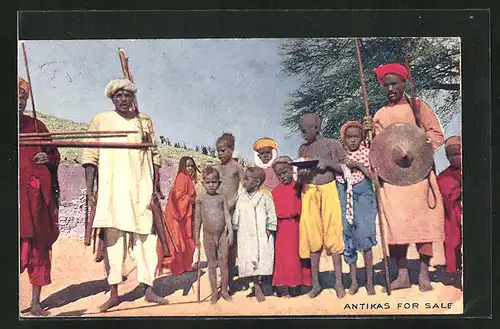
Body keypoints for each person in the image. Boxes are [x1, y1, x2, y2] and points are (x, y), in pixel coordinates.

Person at [81, 78, 167, 312]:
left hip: (141, 188)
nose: (123, 100)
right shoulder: (102, 120)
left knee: (146, 241)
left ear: (133, 98)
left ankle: (149, 289)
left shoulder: (144, 121)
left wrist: (156, 186)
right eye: (118, 96)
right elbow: (90, 156)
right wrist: (90, 190)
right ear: (112, 98)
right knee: (113, 242)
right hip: (113, 191)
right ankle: (114, 293)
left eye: (127, 95)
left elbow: (155, 156)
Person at [364, 63, 445, 292]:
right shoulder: (380, 114)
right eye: (386, 85)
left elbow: (436, 134)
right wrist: (369, 132)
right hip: (392, 180)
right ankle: (401, 274)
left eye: (394, 83)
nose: (390, 88)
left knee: (423, 225)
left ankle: (423, 273)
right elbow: (378, 148)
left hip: (418, 175)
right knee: (396, 227)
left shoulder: (418, 107)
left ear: (403, 83)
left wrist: (418, 147)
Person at [19, 77, 60, 316]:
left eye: (22, 98)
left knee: (38, 250)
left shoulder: (37, 126)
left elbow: (53, 154)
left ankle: (35, 304)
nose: (19, 102)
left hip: (34, 200)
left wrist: (49, 159)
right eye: (14, 98)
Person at [296, 113, 346, 298]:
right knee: (312, 238)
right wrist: (302, 173)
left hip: (328, 189)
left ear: (316, 128)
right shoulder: (302, 149)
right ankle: (316, 285)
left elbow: (345, 167)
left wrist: (329, 163)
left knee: (333, 236)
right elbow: (300, 172)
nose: (302, 134)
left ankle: (339, 283)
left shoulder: (331, 145)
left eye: (304, 130)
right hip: (309, 191)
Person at [335, 121, 377, 296]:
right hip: (343, 193)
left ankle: (369, 281)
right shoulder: (339, 154)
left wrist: (359, 166)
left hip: (364, 196)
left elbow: (374, 176)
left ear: (361, 137)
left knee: (365, 236)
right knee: (348, 236)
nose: (353, 141)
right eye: (349, 137)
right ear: (343, 138)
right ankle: (353, 281)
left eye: (356, 137)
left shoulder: (368, 153)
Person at [232, 166, 277, 302]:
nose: (243, 182)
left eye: (247, 179)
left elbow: (271, 215)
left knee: (262, 260)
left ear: (257, 182)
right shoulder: (241, 198)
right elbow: (237, 215)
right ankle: (255, 285)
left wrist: (270, 230)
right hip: (245, 234)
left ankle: (261, 286)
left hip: (260, 234)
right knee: (248, 259)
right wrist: (235, 228)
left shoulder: (264, 198)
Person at [271, 156, 312, 297]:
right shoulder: (275, 191)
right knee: (283, 258)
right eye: (279, 174)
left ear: (291, 170)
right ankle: (284, 286)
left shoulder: (298, 186)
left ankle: (298, 285)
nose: (282, 177)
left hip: (297, 225)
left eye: (285, 172)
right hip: (282, 227)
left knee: (297, 256)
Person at [194, 167, 234, 304]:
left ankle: (224, 290)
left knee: (224, 264)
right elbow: (198, 219)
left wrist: (230, 231)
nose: (211, 185)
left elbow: (227, 215)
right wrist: (196, 237)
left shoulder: (221, 197)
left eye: (214, 182)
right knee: (211, 265)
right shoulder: (200, 199)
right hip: (208, 235)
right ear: (202, 183)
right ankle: (214, 293)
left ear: (219, 183)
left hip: (222, 235)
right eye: (208, 182)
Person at [156, 156, 198, 276]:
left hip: (184, 215)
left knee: (186, 240)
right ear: (183, 167)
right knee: (180, 242)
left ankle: (186, 266)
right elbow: (178, 197)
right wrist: (191, 200)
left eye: (192, 166)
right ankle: (179, 267)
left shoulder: (187, 178)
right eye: (188, 166)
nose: (190, 168)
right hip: (178, 216)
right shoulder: (182, 177)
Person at [215, 133, 244, 288]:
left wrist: (235, 202)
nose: (220, 154)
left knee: (232, 246)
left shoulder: (237, 167)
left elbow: (245, 185)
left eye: (223, 150)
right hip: (219, 210)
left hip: (233, 210)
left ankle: (230, 278)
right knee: (221, 246)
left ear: (231, 149)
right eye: (218, 151)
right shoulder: (217, 168)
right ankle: (224, 278)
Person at [437, 136, 462, 275]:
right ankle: (454, 270)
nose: (453, 158)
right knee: (452, 241)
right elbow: (448, 193)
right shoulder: (444, 176)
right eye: (449, 156)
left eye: (457, 154)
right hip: (452, 214)